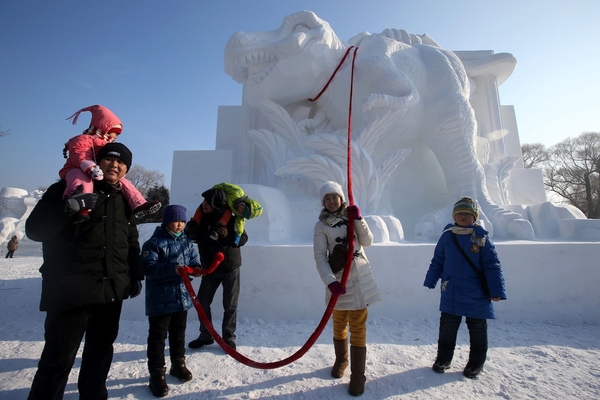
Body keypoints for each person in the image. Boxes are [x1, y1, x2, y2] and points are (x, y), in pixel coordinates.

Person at [25, 142, 144, 400]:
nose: (115, 165)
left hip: (111, 289)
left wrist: (135, 274)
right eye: (110, 159)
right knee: (58, 359)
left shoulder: (124, 198)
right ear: (96, 162)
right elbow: (34, 230)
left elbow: (130, 240)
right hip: (71, 290)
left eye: (122, 162)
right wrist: (68, 208)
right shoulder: (67, 189)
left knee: (100, 356)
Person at [423, 196, 507, 379]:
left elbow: (492, 265)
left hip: (476, 293)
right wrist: (430, 280)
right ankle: (443, 359)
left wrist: (497, 290)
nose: (463, 216)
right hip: (451, 290)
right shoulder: (447, 236)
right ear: (454, 216)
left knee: (477, 329)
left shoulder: (481, 238)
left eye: (467, 214)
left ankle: (476, 363)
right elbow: (438, 260)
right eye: (459, 213)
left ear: (474, 217)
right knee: (447, 328)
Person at [313, 181, 381, 397]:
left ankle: (358, 375)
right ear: (323, 202)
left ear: (342, 198)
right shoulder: (320, 226)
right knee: (339, 322)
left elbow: (368, 242)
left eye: (335, 197)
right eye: (327, 198)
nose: (332, 201)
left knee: (358, 326)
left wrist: (359, 219)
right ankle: (341, 359)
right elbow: (320, 257)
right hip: (338, 280)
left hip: (358, 278)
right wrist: (330, 281)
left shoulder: (352, 217)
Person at [141, 204, 202, 397]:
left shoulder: (187, 243)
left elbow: (193, 261)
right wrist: (172, 269)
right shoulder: (154, 243)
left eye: (183, 221)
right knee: (158, 338)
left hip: (181, 299)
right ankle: (156, 373)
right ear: (167, 221)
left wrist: (196, 269)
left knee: (178, 334)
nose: (180, 225)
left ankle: (178, 364)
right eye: (176, 220)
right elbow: (148, 269)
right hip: (160, 301)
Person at [61, 105, 160, 221]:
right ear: (105, 129)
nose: (117, 136)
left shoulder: (105, 144)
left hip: (97, 173)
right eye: (115, 132)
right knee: (82, 179)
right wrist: (90, 167)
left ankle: (139, 204)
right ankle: (80, 203)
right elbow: (79, 154)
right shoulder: (84, 139)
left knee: (125, 183)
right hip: (77, 168)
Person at [185, 187, 248, 351]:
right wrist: (189, 231)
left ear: (217, 203)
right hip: (209, 269)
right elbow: (192, 238)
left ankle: (228, 338)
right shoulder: (200, 220)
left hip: (230, 268)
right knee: (202, 302)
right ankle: (206, 335)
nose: (204, 204)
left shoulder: (232, 219)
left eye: (208, 202)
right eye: (204, 201)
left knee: (230, 305)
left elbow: (243, 239)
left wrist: (227, 235)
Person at [188, 182, 262, 245]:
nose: (240, 210)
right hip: (217, 196)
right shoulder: (237, 192)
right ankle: (194, 227)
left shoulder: (237, 215)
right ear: (245, 203)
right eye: (242, 208)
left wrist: (238, 235)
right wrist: (214, 191)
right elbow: (224, 185)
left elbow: (240, 224)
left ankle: (217, 230)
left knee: (227, 214)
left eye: (242, 212)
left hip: (224, 206)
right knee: (199, 212)